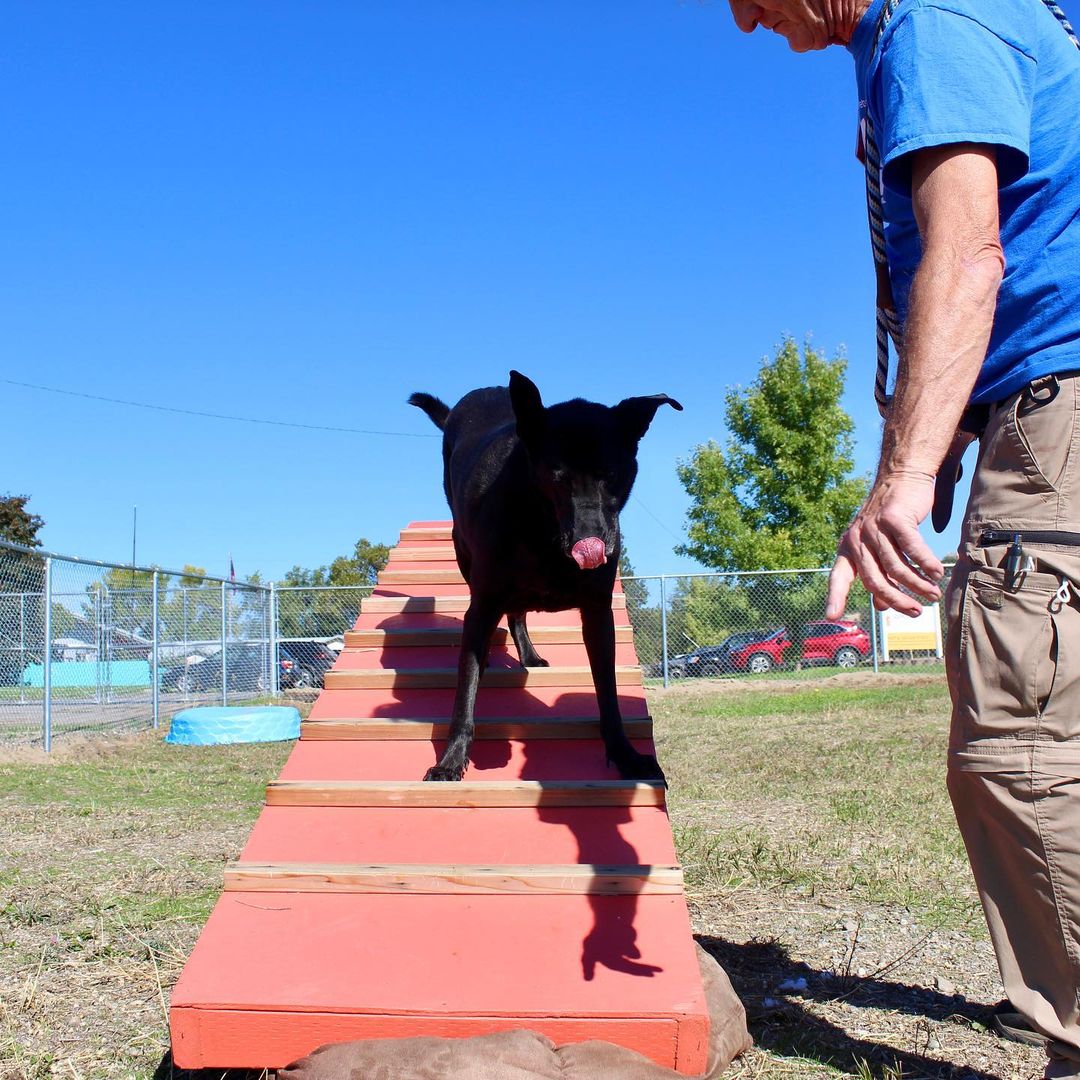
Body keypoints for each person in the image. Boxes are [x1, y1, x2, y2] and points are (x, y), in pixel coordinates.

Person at [726, 0, 1080, 1076]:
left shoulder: (931, 19)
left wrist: (905, 474)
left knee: (1021, 747)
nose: (746, 22)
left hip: (1056, 410)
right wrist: (939, 456)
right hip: (1031, 404)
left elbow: (970, 253)